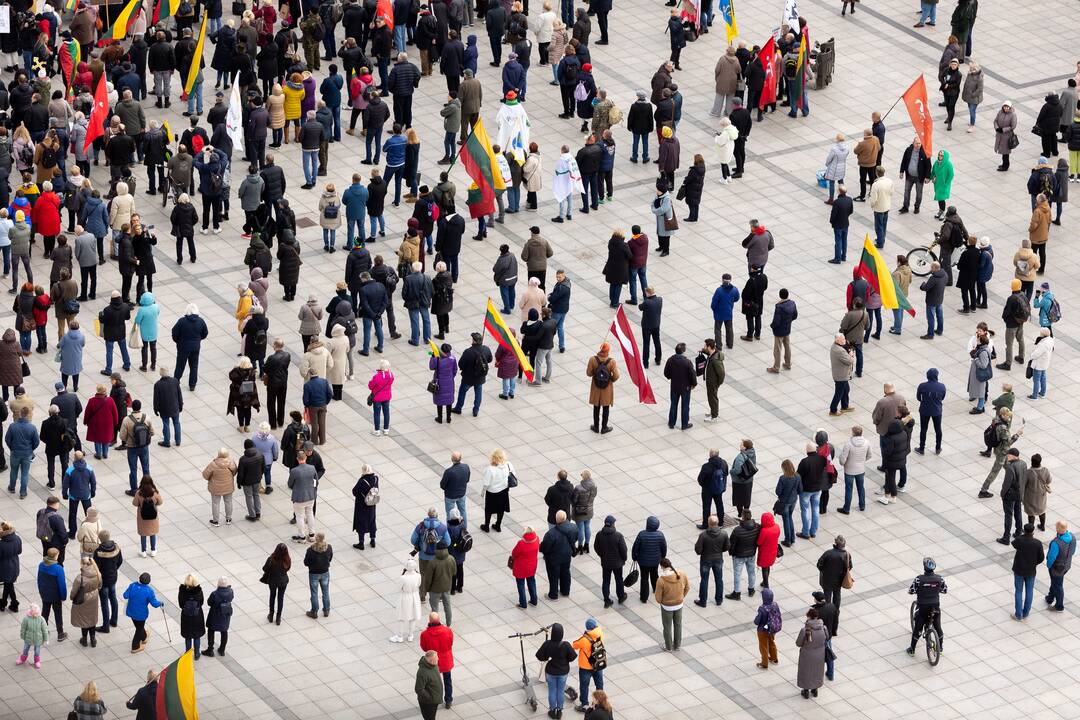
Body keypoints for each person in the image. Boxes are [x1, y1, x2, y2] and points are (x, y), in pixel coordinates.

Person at [536, 622, 576, 718]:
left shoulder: (547, 644)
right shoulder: (565, 645)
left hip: (550, 672)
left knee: (552, 691)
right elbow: (573, 657)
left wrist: (547, 657)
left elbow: (539, 655)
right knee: (560, 691)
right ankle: (559, 710)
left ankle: (552, 710)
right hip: (563, 672)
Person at [419, 611, 455, 710]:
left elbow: (424, 648)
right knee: (447, 680)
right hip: (446, 660)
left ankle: (434, 700)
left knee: (433, 683)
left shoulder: (425, 634)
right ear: (439, 620)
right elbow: (450, 643)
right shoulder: (448, 631)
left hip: (432, 662)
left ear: (429, 621)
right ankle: (448, 700)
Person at [540, 510, 576, 599]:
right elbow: (575, 538)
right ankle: (565, 591)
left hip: (554, 558)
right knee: (566, 573)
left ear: (556, 520)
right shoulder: (574, 527)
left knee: (553, 576)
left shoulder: (551, 534)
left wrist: (544, 551)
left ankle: (553, 595)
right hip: (567, 555)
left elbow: (544, 547)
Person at [123, 572, 162, 653]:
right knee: (139, 629)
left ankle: (144, 637)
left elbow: (125, 595)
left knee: (139, 626)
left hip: (131, 611)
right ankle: (135, 647)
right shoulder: (149, 591)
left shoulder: (132, 585)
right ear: (148, 581)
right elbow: (154, 604)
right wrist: (160, 603)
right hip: (141, 614)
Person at [655, 557, 689, 651]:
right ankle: (677, 646)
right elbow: (687, 587)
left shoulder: (661, 580)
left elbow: (658, 598)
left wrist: (662, 601)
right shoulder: (681, 574)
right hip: (679, 605)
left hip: (667, 607)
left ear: (662, 566)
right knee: (678, 625)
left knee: (667, 627)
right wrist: (681, 597)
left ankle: (669, 647)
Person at [1012, 523, 1043, 620]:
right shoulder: (1037, 543)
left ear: (1024, 531)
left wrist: (1023, 535)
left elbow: (1014, 543)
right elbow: (1041, 558)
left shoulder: (1020, 540)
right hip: (1031, 571)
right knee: (1029, 591)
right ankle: (1026, 613)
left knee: (1018, 591)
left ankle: (1018, 614)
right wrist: (1033, 563)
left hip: (1019, 570)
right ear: (1033, 531)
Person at [586, 343, 619, 433]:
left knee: (596, 407)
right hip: (606, 389)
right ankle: (604, 427)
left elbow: (589, 373)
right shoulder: (612, 362)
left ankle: (596, 427)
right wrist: (610, 380)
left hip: (596, 387)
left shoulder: (593, 359)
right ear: (608, 351)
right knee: (606, 407)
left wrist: (595, 374)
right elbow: (616, 376)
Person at [796, 608, 828, 699]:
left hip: (807, 655)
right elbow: (827, 638)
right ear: (817, 616)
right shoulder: (823, 628)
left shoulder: (805, 630)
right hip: (820, 654)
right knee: (817, 671)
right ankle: (815, 689)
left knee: (806, 671)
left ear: (808, 616)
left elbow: (798, 643)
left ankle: (806, 690)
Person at [663, 343, 696, 430]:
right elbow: (692, 375)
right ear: (683, 351)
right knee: (685, 406)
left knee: (673, 404)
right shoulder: (687, 362)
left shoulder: (670, 360)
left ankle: (671, 423)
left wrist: (671, 377)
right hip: (685, 387)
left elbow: (666, 373)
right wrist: (693, 384)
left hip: (674, 386)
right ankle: (684, 424)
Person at [817, 536, 852, 612]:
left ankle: (828, 611)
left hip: (827, 580)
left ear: (835, 543)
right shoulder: (847, 555)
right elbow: (849, 567)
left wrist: (825, 571)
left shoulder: (828, 553)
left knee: (827, 596)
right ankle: (836, 611)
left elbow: (819, 564)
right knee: (837, 595)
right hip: (839, 580)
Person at [766, 289, 797, 374]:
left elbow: (777, 321)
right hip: (787, 329)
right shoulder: (792, 303)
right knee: (787, 346)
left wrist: (772, 326)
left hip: (779, 331)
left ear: (780, 296)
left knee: (777, 349)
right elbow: (795, 315)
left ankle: (776, 367)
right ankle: (788, 363)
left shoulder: (779, 307)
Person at [1046, 521, 1075, 612]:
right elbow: (1072, 552)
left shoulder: (1056, 543)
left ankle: (1059, 606)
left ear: (1058, 529)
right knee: (1055, 582)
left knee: (1058, 585)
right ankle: (1050, 597)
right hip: (1066, 565)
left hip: (1056, 568)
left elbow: (1051, 557)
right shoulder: (1072, 537)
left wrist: (1049, 566)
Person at [898, 137, 931, 214]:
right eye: (916, 143)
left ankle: (917, 207)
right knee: (906, 192)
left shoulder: (925, 152)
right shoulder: (908, 150)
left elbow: (928, 166)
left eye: (919, 143)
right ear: (913, 143)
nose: (918, 145)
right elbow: (904, 160)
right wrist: (901, 171)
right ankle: (905, 207)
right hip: (909, 176)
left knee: (919, 193)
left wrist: (927, 177)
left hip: (919, 177)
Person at [753, 587, 782, 669]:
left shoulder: (762, 609)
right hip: (772, 628)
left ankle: (764, 663)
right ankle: (774, 658)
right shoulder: (775, 604)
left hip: (763, 630)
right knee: (771, 642)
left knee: (763, 646)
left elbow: (757, 621)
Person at [17, 604, 48, 668]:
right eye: (35, 613)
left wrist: (46, 638)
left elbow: (44, 629)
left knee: (37, 651)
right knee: (25, 649)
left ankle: (37, 661)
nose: (36, 614)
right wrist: (23, 636)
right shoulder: (26, 619)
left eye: (37, 613)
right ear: (31, 612)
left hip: (38, 638)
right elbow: (23, 628)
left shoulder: (41, 619)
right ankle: (22, 659)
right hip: (28, 638)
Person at [415, 650, 443, 720]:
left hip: (434, 699)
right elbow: (419, 689)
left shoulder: (434, 665)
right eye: (436, 658)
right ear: (430, 660)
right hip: (428, 702)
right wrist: (430, 697)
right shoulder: (422, 673)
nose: (438, 659)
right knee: (429, 718)